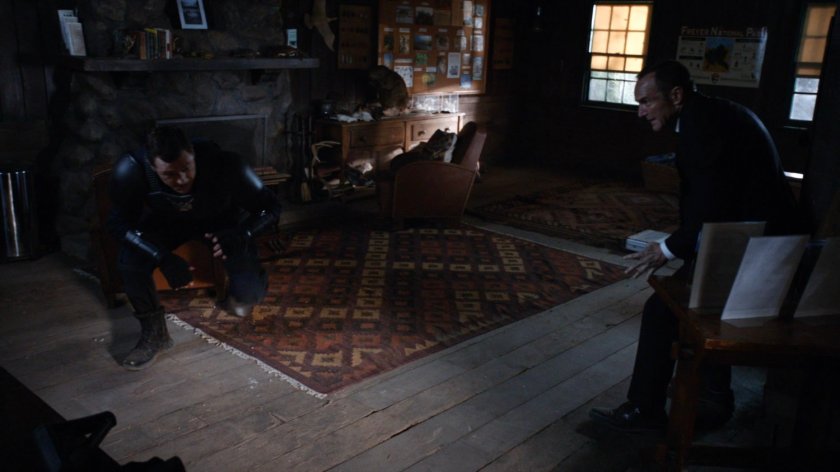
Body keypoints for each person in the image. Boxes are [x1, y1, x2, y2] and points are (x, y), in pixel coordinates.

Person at [589, 60, 800, 432]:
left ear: (675, 95)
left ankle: (647, 411)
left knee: (665, 310)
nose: (640, 112)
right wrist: (681, 244)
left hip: (761, 246)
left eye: (646, 102)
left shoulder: (703, 130)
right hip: (749, 237)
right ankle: (713, 399)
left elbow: (710, 205)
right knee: (693, 308)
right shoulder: (710, 116)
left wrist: (666, 250)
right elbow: (713, 203)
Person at [108, 126, 281, 371]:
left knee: (247, 299)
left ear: (193, 156)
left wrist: (244, 233)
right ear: (152, 165)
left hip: (221, 222)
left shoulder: (226, 163)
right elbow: (117, 223)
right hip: (166, 223)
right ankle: (155, 335)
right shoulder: (132, 169)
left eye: (186, 168)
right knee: (130, 261)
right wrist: (161, 256)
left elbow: (271, 207)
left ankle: (248, 286)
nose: (181, 180)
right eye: (169, 174)